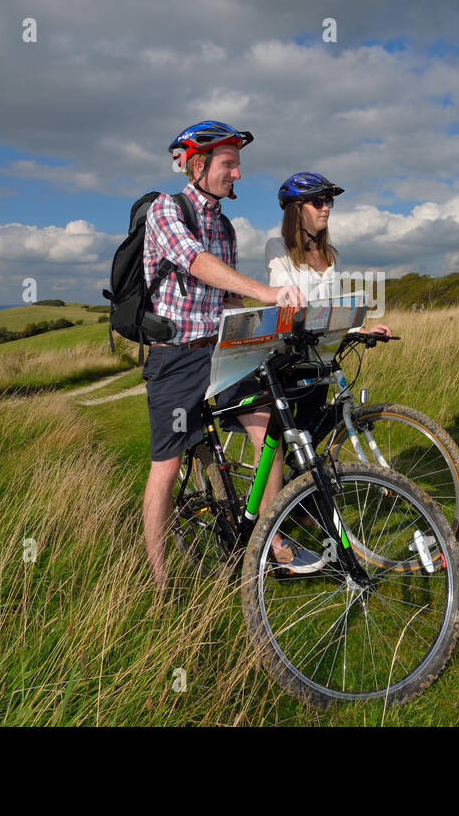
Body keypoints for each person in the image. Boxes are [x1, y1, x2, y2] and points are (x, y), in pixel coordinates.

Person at [140, 121, 316, 592]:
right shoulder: (166, 210)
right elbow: (195, 262)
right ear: (197, 165)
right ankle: (158, 580)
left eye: (238, 164)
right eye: (228, 164)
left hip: (220, 353)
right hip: (175, 357)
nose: (237, 173)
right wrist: (266, 288)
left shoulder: (225, 225)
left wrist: (271, 314)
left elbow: (227, 296)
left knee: (269, 429)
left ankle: (270, 544)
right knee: (168, 464)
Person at [263, 173, 392, 443]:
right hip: (290, 358)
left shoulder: (332, 255)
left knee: (310, 432)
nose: (325, 208)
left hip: (321, 357)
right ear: (296, 210)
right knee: (284, 437)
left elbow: (336, 305)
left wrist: (359, 327)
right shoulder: (278, 248)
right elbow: (287, 300)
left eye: (328, 202)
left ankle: (303, 484)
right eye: (318, 202)